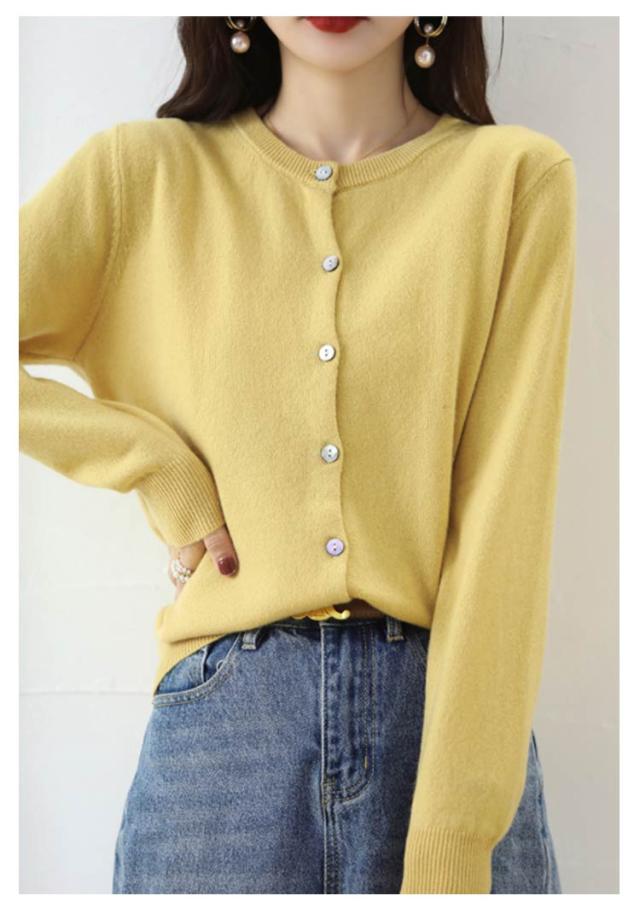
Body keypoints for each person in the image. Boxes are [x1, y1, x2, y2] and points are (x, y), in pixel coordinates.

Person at [19, 16, 575, 894]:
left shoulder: (513, 183)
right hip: (222, 752)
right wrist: (149, 461)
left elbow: (507, 521)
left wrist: (453, 837)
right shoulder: (141, 177)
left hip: (449, 737)